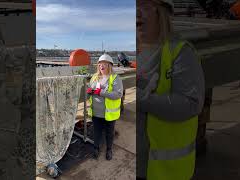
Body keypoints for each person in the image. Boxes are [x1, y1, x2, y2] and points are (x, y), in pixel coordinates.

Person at [137, 0, 205, 179]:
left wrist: (140, 99)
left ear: (161, 11)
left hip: (163, 170)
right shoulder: (130, 53)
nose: (135, 12)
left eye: (143, 4)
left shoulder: (180, 53)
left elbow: (190, 104)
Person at [86, 53, 123, 160]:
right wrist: (88, 92)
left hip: (109, 113)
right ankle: (96, 148)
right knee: (96, 132)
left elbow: (118, 94)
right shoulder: (94, 77)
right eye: (100, 64)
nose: (101, 66)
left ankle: (109, 149)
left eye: (104, 64)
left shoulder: (115, 78)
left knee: (109, 133)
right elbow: (90, 90)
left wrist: (100, 92)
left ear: (109, 65)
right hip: (96, 112)